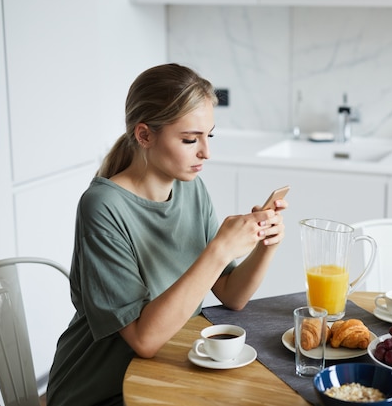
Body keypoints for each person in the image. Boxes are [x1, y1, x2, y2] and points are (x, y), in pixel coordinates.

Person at [46, 63, 287, 405]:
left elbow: (232, 295)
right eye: (190, 139)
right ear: (144, 135)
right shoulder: (101, 206)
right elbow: (144, 340)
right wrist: (219, 249)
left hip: (168, 373)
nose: (206, 152)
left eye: (209, 136)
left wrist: (266, 244)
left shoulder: (191, 189)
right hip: (101, 390)